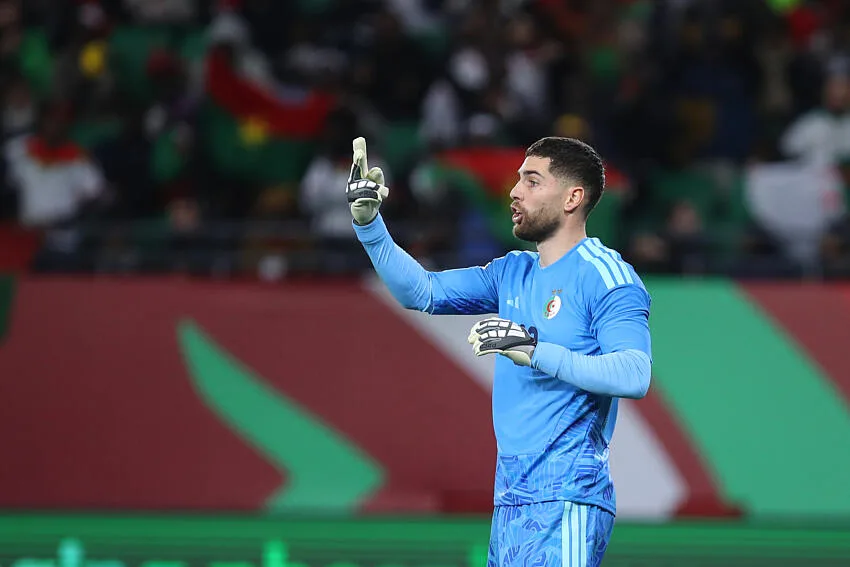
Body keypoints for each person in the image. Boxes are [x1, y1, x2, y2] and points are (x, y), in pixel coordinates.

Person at [347, 136, 652, 566]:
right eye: (518, 179)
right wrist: (370, 226)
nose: (514, 191)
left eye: (532, 181)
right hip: (511, 501)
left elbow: (634, 374)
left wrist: (534, 349)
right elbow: (423, 292)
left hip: (568, 497)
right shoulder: (512, 271)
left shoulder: (606, 276)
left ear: (573, 198)